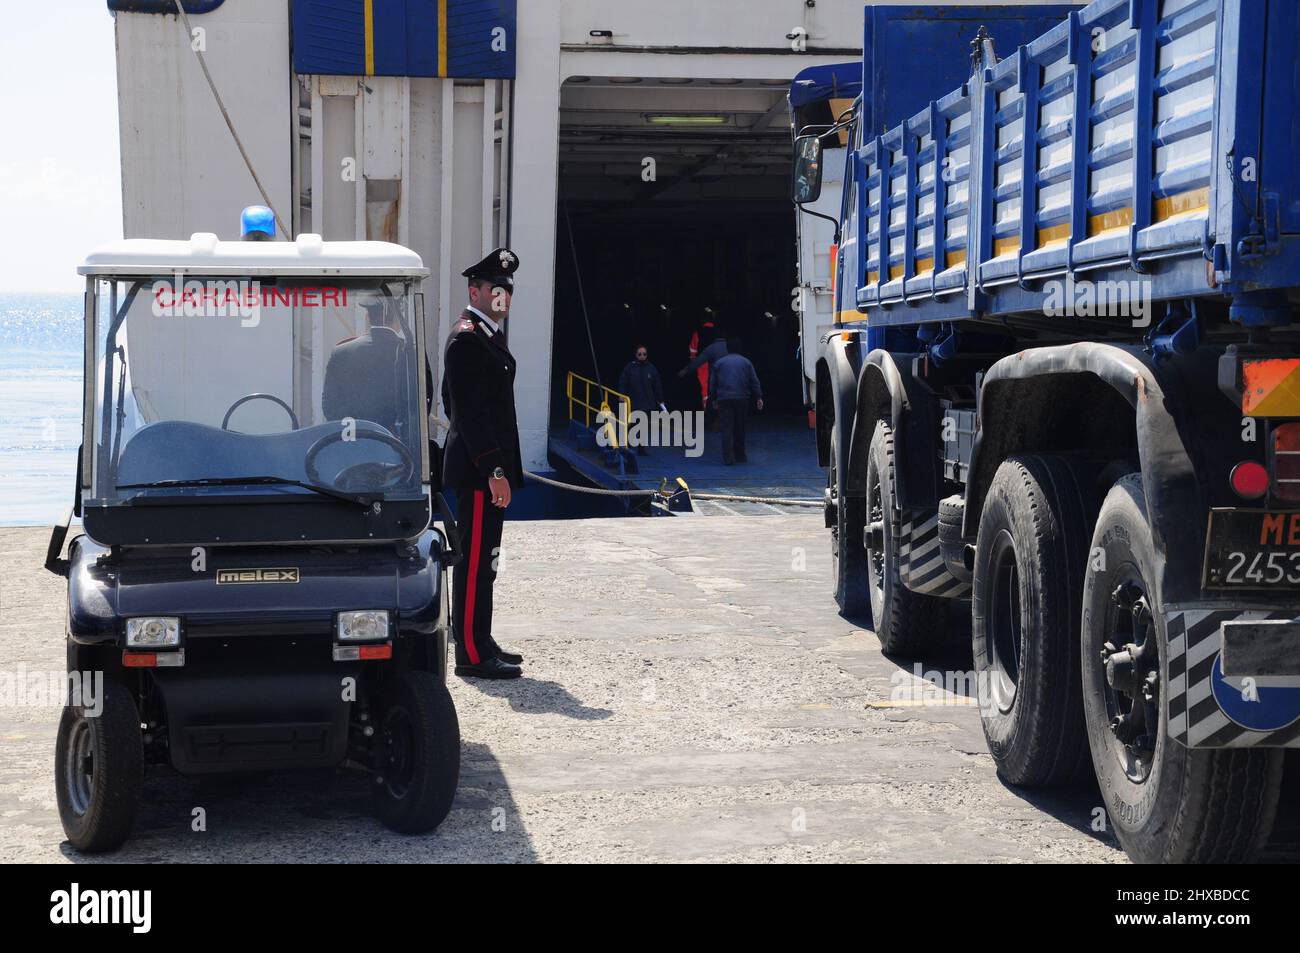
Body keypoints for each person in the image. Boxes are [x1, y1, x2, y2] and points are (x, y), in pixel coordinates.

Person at [441, 248, 526, 680]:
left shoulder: (487, 336)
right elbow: (469, 413)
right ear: (475, 290)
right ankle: (472, 655)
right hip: (480, 474)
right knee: (474, 561)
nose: (503, 297)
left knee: (487, 559)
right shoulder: (467, 338)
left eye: (507, 291)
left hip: (488, 470)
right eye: (496, 289)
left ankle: (481, 637)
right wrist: (494, 471)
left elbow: (452, 401)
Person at [321, 298, 408, 433]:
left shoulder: (341, 351)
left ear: (367, 318)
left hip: (352, 441)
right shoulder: (410, 352)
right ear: (399, 321)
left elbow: (330, 405)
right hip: (397, 442)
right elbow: (422, 401)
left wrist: (351, 432)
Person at [708, 338, 764, 465]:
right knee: (740, 427)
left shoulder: (719, 363)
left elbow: (713, 383)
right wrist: (759, 396)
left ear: (728, 349)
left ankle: (728, 458)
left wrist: (713, 398)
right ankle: (740, 456)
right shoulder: (746, 362)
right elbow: (754, 381)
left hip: (724, 399)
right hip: (742, 399)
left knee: (726, 429)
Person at [617, 344, 666, 455]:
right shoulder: (630, 367)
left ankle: (641, 448)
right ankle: (628, 442)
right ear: (636, 355)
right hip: (634, 402)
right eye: (640, 354)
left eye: (644, 354)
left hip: (647, 403)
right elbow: (623, 381)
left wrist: (660, 399)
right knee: (633, 424)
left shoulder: (651, 368)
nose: (642, 356)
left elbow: (657, 385)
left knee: (644, 426)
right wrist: (621, 394)